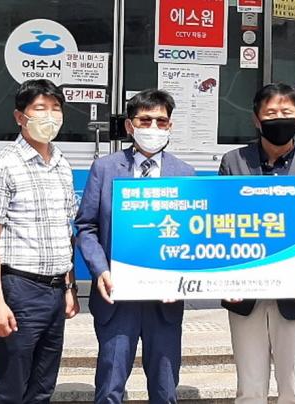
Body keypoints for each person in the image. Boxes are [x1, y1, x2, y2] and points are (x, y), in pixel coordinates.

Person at [219, 83, 295, 404]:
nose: (279, 119)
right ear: (256, 119)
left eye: (286, 112)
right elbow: (220, 224)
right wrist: (223, 277)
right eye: (271, 113)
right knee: (250, 390)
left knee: (294, 390)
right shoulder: (234, 162)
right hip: (245, 294)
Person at [75, 89, 195, 404]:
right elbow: (86, 226)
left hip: (165, 301)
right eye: (145, 120)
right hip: (117, 297)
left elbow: (193, 234)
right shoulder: (105, 168)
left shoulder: (185, 173)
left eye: (161, 121)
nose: (153, 127)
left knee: (165, 389)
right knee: (110, 388)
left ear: (170, 126)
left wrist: (183, 276)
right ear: (130, 126)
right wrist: (100, 270)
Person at [0, 79, 80, 404]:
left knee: (43, 386)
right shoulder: (1, 165)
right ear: (20, 117)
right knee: (11, 387)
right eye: (40, 108)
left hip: (55, 291)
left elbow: (66, 231)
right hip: (19, 290)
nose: (50, 115)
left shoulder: (62, 164)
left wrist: (69, 288)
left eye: (56, 108)